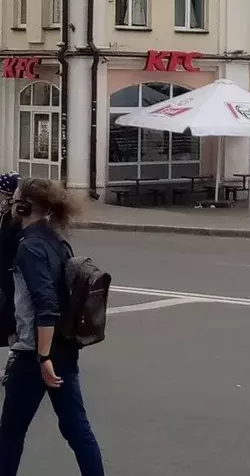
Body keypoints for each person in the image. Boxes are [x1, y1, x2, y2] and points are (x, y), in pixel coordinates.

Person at [0, 177, 105, 475]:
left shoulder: (31, 247)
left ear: (24, 206)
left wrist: (43, 357)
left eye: (15, 199)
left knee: (10, 431)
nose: (10, 203)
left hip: (36, 353)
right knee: (76, 429)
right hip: (63, 348)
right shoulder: (55, 240)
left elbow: (45, 304)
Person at [0, 173, 21, 346]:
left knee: (12, 325)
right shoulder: (5, 215)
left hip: (11, 280)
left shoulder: (14, 220)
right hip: (5, 279)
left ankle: (14, 367)